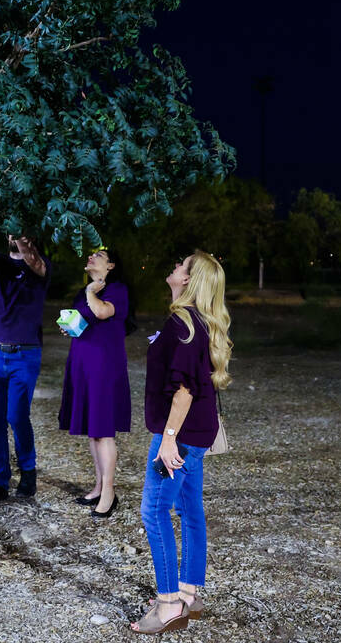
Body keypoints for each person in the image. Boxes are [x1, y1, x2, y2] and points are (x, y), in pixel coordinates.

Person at [130, 251, 233, 635]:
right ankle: (189, 592)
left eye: (180, 265)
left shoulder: (183, 322)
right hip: (195, 434)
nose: (173, 267)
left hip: (181, 435)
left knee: (153, 511)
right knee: (189, 508)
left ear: (189, 280)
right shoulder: (196, 321)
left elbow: (185, 388)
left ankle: (169, 603)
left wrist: (168, 440)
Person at [0, 222, 52, 507]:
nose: (13, 235)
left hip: (24, 355)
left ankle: (28, 471)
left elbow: (33, 260)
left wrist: (23, 240)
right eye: (10, 230)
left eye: (20, 231)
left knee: (17, 416)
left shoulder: (40, 266)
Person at [57, 247, 132, 518]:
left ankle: (110, 494)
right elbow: (84, 321)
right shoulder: (85, 291)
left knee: (104, 431)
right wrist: (70, 326)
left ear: (111, 266)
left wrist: (91, 293)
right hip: (83, 364)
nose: (90, 257)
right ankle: (99, 486)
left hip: (104, 366)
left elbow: (101, 313)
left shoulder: (117, 290)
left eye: (98, 256)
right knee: (93, 429)